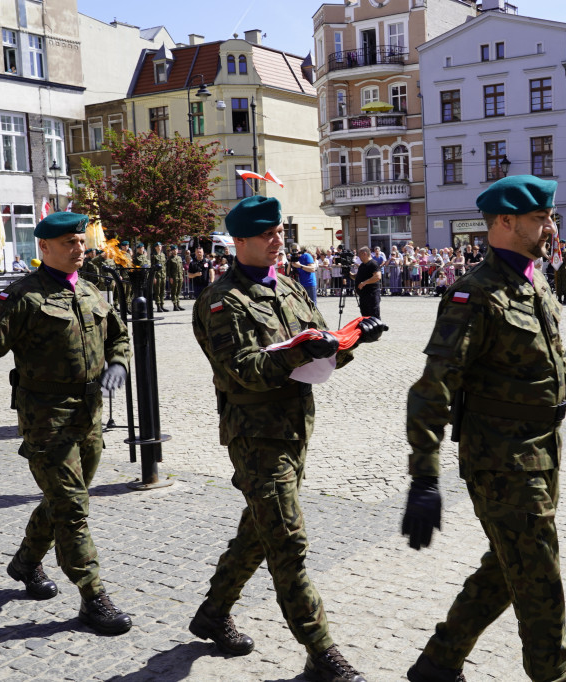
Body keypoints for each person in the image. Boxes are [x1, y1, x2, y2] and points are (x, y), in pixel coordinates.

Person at [402, 176, 566, 682]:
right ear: (505, 222)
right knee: (539, 577)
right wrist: (424, 477)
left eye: (549, 217)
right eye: (540, 218)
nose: (551, 226)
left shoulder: (533, 279)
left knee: (508, 566)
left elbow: (557, 352)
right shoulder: (473, 295)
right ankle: (556, 674)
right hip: (500, 460)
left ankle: (438, 663)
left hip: (543, 450)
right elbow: (432, 388)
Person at [190, 195, 385, 682]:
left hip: (296, 428)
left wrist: (353, 339)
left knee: (260, 529)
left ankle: (213, 614)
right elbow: (244, 371)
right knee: (287, 541)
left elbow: (321, 347)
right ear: (239, 241)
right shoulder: (220, 302)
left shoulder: (293, 288)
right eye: (267, 235)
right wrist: (299, 353)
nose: (279, 241)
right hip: (256, 437)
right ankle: (322, 654)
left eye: (280, 232)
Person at [0, 212, 134, 636]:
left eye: (81, 241)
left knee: (65, 499)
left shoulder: (91, 290)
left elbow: (119, 334)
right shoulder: (24, 297)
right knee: (73, 508)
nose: (79, 248)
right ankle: (93, 597)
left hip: (89, 416)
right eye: (69, 243)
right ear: (44, 248)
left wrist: (118, 362)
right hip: (47, 419)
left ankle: (25, 563)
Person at [354, 246, 382, 318]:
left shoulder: (373, 263)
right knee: (365, 316)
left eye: (359, 255)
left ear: (364, 254)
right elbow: (357, 277)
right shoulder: (362, 265)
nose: (359, 257)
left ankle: (376, 329)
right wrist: (348, 274)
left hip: (372, 294)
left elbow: (377, 277)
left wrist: (364, 283)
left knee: (374, 316)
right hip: (363, 295)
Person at [167, 246, 185, 311]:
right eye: (173, 250)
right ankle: (175, 305)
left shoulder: (179, 258)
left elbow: (181, 268)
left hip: (179, 277)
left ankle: (178, 304)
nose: (175, 251)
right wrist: (170, 277)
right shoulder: (170, 259)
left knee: (178, 291)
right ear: (171, 251)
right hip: (174, 277)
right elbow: (168, 270)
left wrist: (182, 276)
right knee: (174, 291)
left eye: (176, 250)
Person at [151, 243, 168, 312]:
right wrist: (153, 277)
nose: (159, 247)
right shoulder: (153, 256)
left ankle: (162, 305)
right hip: (157, 276)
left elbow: (164, 266)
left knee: (162, 291)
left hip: (163, 275)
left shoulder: (163, 255)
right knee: (157, 291)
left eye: (160, 246)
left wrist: (166, 275)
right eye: (158, 246)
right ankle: (158, 305)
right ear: (155, 248)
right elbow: (152, 267)